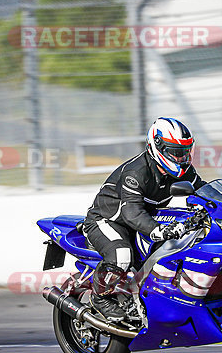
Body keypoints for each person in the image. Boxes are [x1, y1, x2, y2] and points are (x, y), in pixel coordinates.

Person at [83, 117, 206, 321]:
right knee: (122, 254)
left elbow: (201, 190)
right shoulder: (137, 172)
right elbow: (131, 212)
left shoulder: (183, 171)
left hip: (142, 221)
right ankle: (100, 297)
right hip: (107, 221)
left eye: (185, 152)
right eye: (175, 152)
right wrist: (158, 230)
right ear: (157, 146)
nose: (181, 158)